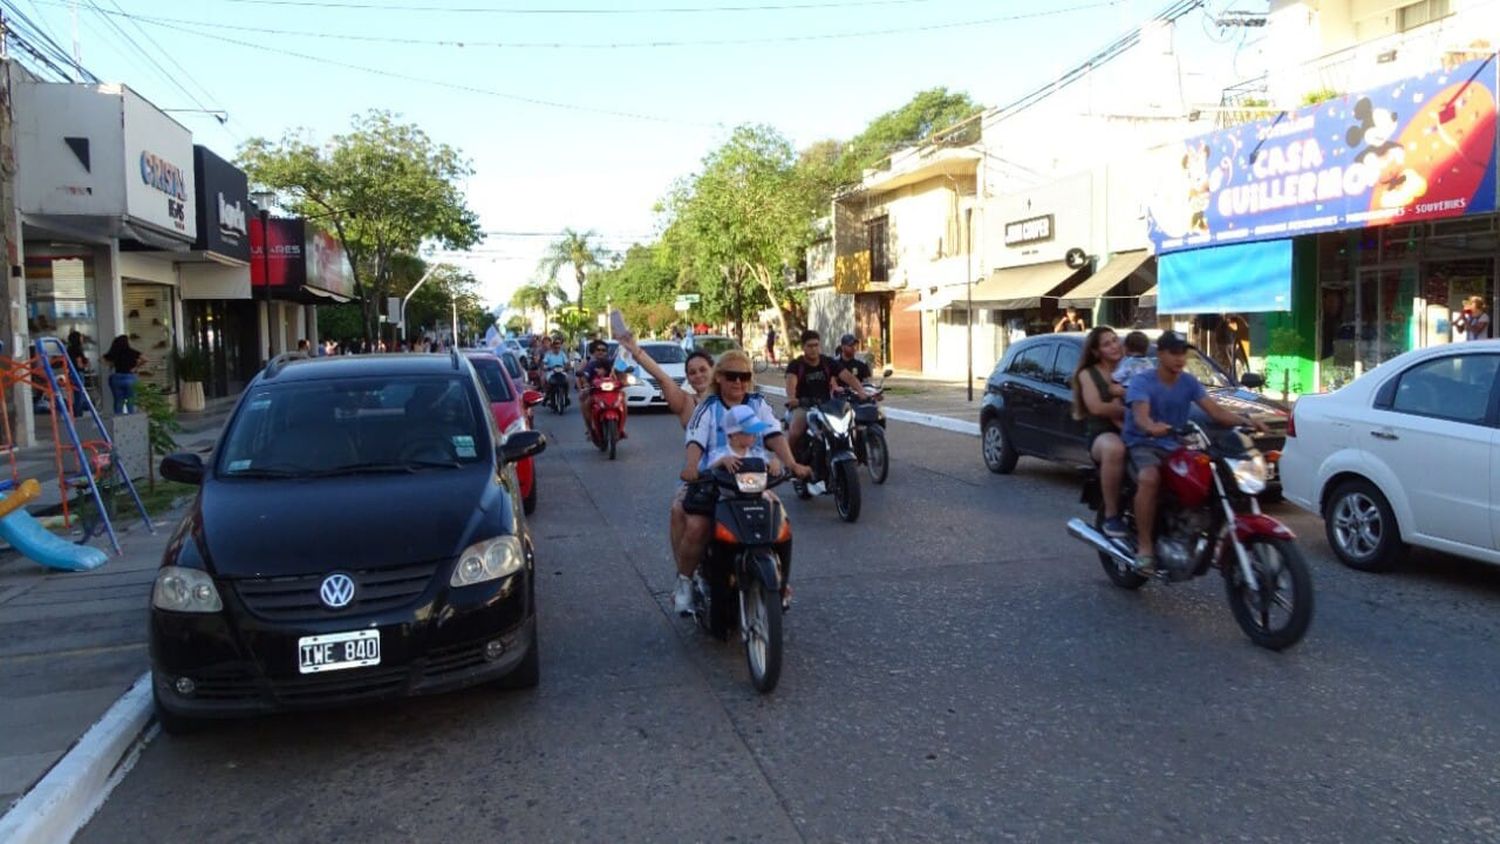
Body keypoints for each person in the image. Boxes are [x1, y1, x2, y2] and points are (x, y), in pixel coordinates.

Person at [1123, 330, 1266, 574]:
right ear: (1161, 354)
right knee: (1150, 478)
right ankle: (1145, 548)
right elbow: (1141, 416)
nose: (1180, 359)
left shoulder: (1188, 382)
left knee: (1207, 477)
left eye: (1183, 353)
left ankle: (1193, 528)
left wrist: (1247, 420)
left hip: (1177, 444)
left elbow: (1216, 412)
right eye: (1174, 353)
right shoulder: (1142, 381)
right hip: (1144, 443)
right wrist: (1151, 426)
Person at [681, 350, 810, 613]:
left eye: (744, 376)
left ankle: (780, 584)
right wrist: (693, 467)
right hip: (714, 483)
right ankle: (684, 582)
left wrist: (791, 464)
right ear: (719, 378)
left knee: (781, 524)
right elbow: (695, 440)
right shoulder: (708, 407)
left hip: (753, 483)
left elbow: (774, 435)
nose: (738, 382)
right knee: (696, 525)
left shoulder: (758, 404)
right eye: (731, 376)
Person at [1071, 327, 1129, 537]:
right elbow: (1096, 407)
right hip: (1103, 433)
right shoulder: (1088, 374)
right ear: (1096, 352)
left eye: (1115, 340)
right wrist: (1129, 411)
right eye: (1107, 344)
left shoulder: (1132, 366)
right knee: (1115, 449)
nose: (1114, 346)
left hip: (1137, 429)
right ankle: (1112, 517)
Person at [784, 330, 841, 461]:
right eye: (810, 346)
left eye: (816, 345)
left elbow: (846, 375)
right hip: (804, 406)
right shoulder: (796, 364)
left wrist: (861, 391)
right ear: (803, 347)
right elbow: (791, 382)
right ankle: (790, 462)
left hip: (826, 405)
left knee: (846, 428)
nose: (814, 349)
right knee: (795, 432)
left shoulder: (827, 362)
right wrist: (792, 398)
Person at [705, 404, 782, 475]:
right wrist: (722, 461)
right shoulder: (720, 453)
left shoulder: (756, 453)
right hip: (727, 489)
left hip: (755, 488)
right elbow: (708, 469)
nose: (754, 435)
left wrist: (774, 463)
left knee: (768, 490)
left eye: (755, 432)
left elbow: (767, 463)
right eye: (750, 432)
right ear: (734, 435)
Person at [576, 339, 617, 438]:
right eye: (598, 350)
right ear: (593, 351)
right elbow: (583, 375)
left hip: (611, 392)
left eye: (603, 350)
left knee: (622, 399)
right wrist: (585, 385)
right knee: (585, 404)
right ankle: (590, 429)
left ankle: (620, 428)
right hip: (595, 392)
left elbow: (619, 372)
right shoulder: (589, 363)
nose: (601, 352)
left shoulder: (611, 363)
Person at [830, 333, 882, 400]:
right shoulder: (835, 363)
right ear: (842, 347)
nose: (853, 347)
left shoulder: (861, 364)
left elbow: (867, 384)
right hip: (839, 400)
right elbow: (831, 381)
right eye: (850, 345)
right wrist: (836, 388)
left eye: (855, 345)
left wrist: (874, 393)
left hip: (858, 400)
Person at [102, 335, 143, 415]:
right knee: (130, 401)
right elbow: (145, 359)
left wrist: (110, 364)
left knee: (118, 401)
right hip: (129, 377)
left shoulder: (114, 352)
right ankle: (131, 419)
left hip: (117, 378)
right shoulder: (132, 352)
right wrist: (136, 367)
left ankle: (118, 421)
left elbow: (101, 359)